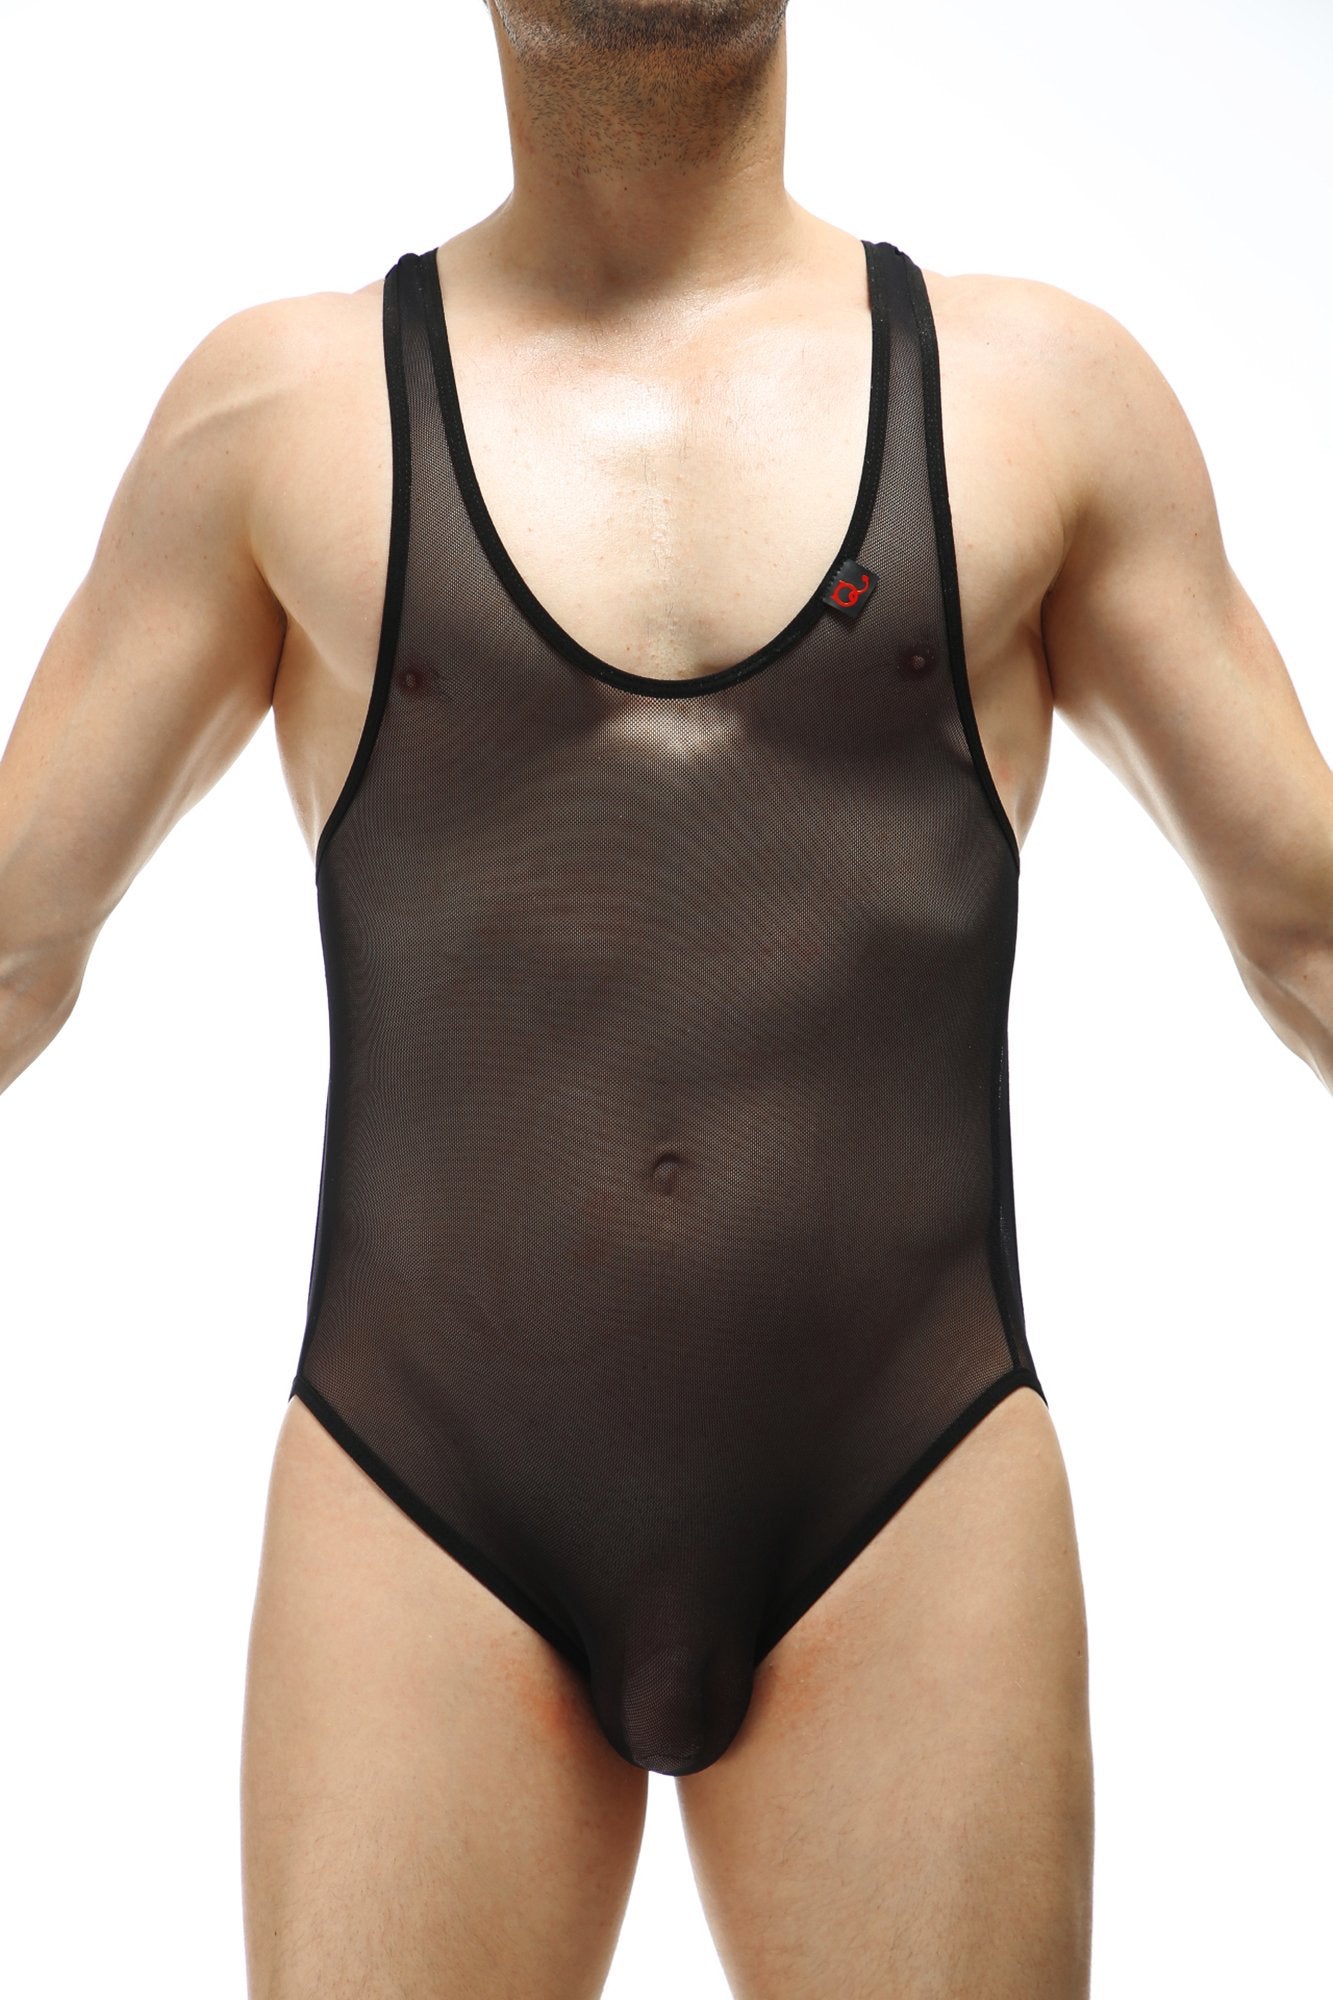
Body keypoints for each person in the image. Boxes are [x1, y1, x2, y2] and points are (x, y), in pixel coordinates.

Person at [2, 3, 1330, 1995]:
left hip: (909, 1479)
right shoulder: (279, 412)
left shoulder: (1036, 395)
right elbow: (13, 946)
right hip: (422, 1488)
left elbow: (1310, 935)